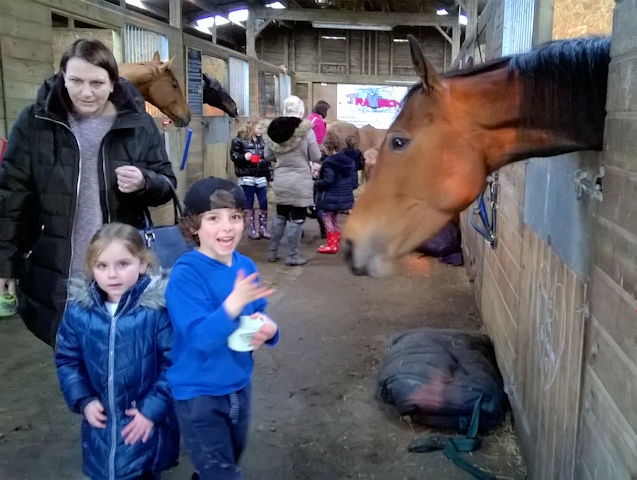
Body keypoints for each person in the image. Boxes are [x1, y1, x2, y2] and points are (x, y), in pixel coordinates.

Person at [0, 38, 177, 347]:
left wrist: (145, 182)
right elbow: (11, 196)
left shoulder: (140, 125)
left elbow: (166, 184)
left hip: (120, 268)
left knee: (124, 354)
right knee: (71, 359)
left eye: (97, 82)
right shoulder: (35, 122)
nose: (86, 91)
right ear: (62, 78)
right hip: (58, 269)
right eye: (75, 81)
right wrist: (6, 261)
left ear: (112, 83)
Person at [165, 177, 279, 480]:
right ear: (193, 226)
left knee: (228, 458)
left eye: (235, 217)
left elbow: (256, 313)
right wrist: (233, 303)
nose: (227, 227)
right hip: (198, 395)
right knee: (223, 473)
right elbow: (200, 337)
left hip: (239, 385)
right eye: (213, 218)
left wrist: (268, 328)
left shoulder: (245, 266)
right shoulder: (185, 274)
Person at [55, 222, 179, 480]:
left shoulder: (156, 312)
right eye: (102, 266)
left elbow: (176, 364)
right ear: (92, 268)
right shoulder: (80, 312)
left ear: (143, 264)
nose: (112, 275)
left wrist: (151, 410)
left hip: (143, 426)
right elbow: (67, 360)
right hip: (99, 429)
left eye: (123, 264)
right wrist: (84, 399)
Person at [264, 95, 322, 266]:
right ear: (301, 110)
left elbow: (267, 156)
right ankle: (292, 256)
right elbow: (316, 156)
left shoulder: (272, 129)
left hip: (281, 179)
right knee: (296, 219)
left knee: (280, 215)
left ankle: (272, 252)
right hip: (300, 181)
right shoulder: (306, 131)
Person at [315, 131, 358, 254]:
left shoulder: (329, 162)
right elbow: (354, 181)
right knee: (333, 216)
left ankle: (331, 244)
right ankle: (336, 238)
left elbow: (328, 180)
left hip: (330, 196)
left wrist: (316, 182)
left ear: (327, 147)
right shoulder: (349, 161)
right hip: (345, 195)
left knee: (327, 217)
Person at [230, 116, 272, 240]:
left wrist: (271, 177)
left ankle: (263, 227)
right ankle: (251, 228)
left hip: (261, 176)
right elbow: (234, 156)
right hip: (247, 176)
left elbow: (267, 160)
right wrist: (244, 157)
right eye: (259, 127)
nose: (261, 130)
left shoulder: (262, 141)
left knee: (263, 201)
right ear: (252, 126)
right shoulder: (239, 140)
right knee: (249, 202)